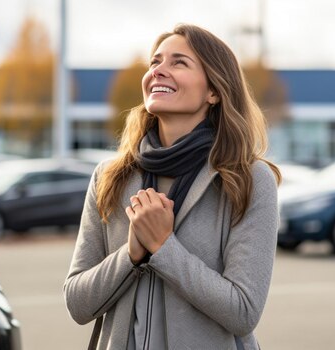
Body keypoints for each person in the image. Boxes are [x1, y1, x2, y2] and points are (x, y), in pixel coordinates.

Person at [64, 23, 280, 350]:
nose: (159, 71)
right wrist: (132, 255)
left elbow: (243, 311)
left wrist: (164, 248)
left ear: (214, 91)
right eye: (155, 62)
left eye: (178, 62)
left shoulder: (248, 179)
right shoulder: (109, 177)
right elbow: (78, 303)